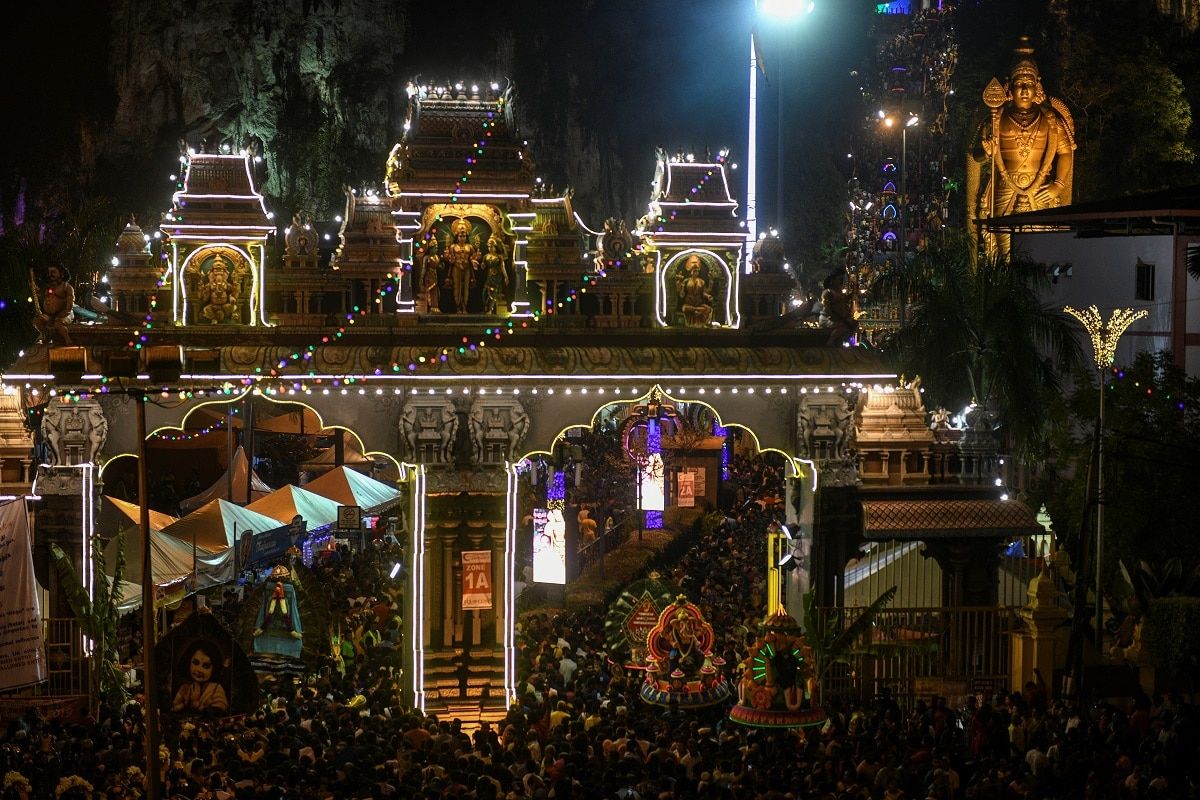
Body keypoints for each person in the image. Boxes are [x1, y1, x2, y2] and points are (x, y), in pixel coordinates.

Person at [967, 37, 1075, 261]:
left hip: (1040, 187)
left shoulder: (1050, 120)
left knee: (1039, 252)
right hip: (1005, 189)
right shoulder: (997, 118)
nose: (1025, 90)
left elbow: (1066, 152)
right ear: (1010, 85)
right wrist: (985, 152)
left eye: (1030, 83)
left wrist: (1059, 184)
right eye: (1019, 84)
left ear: (1038, 85)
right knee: (1003, 251)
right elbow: (975, 156)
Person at [170, 641, 229, 714]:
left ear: (214, 669)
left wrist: (197, 705)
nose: (199, 670)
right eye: (195, 663)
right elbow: (173, 709)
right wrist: (183, 705)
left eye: (206, 666)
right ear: (188, 662)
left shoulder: (216, 689)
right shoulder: (184, 688)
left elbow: (220, 712)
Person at [445, 218, 480, 313]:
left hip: (467, 268)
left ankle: (465, 306)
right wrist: (450, 258)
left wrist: (475, 259)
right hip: (456, 268)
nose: (462, 238)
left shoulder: (470, 247)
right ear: (457, 236)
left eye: (464, 236)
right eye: (460, 236)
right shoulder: (453, 247)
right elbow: (449, 258)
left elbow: (473, 258)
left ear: (466, 236)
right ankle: (458, 307)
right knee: (457, 287)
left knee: (466, 288)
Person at [33, 265, 75, 344]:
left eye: (53, 272)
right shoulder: (47, 287)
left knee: (57, 323)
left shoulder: (67, 287)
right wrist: (37, 292)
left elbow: (69, 305)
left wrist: (63, 314)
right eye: (49, 272)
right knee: (37, 321)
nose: (50, 274)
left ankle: (67, 339)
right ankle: (46, 335)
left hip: (65, 314)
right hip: (50, 315)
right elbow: (43, 299)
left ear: (61, 274)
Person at [819, 270, 857, 346]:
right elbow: (832, 306)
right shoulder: (828, 292)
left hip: (837, 317)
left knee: (853, 323)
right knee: (844, 326)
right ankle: (830, 341)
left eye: (841, 280)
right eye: (839, 280)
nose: (841, 282)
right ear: (833, 281)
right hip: (827, 318)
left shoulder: (839, 293)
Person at [675, 254, 713, 327]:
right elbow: (681, 294)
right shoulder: (686, 281)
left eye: (696, 271)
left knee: (708, 309)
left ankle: (698, 315)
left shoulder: (701, 281)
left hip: (699, 303)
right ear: (691, 272)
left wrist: (708, 296)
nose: (695, 273)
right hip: (689, 303)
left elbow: (704, 292)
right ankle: (696, 311)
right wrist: (680, 285)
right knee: (685, 308)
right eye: (694, 271)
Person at [481, 235, 510, 315]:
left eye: (492, 247)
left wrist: (506, 277)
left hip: (497, 276)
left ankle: (490, 309)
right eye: (489, 247)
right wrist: (481, 265)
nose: (490, 248)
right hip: (489, 276)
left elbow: (502, 267)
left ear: (495, 247)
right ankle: (486, 308)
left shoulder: (499, 257)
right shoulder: (486, 256)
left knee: (494, 293)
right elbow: (483, 266)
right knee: (485, 293)